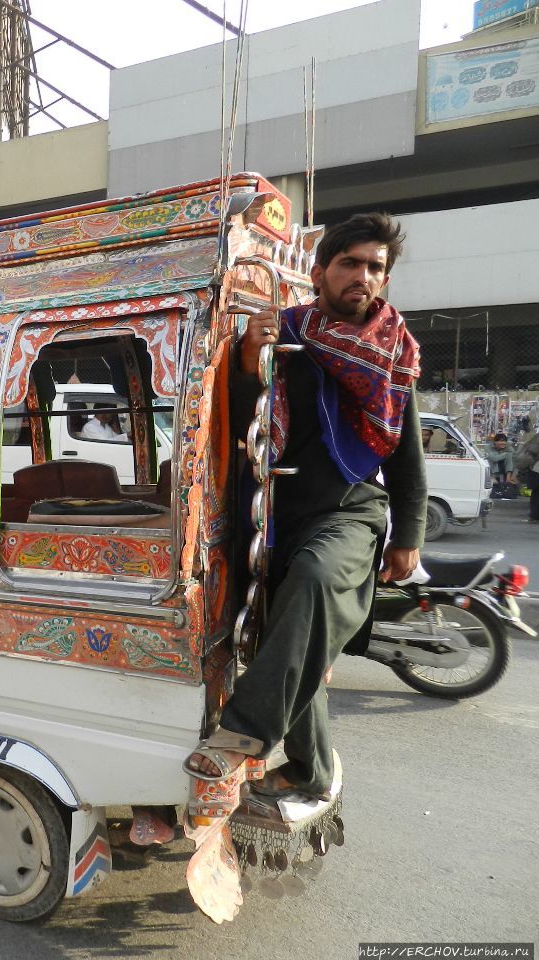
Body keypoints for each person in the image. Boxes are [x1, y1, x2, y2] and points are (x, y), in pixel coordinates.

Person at [183, 212, 426, 803]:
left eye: (375, 267)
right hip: (272, 512)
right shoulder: (283, 332)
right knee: (294, 635)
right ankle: (310, 770)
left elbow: (406, 450)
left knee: (315, 584)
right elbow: (240, 426)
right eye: (350, 263)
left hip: (350, 509)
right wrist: (246, 362)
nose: (362, 276)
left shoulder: (394, 351)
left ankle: (243, 732)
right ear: (320, 273)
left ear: (384, 281)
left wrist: (407, 534)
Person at [516, 429, 539, 522]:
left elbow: (531, 453)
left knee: (536, 493)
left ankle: (535, 516)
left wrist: (519, 466)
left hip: (537, 470)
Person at [484, 432, 515, 497]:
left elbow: (513, 454)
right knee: (492, 458)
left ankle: (508, 478)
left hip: (502, 465)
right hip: (492, 467)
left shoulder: (507, 446)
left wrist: (504, 453)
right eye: (500, 441)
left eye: (504, 441)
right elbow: (494, 458)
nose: (503, 443)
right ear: (495, 442)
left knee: (510, 456)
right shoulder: (488, 447)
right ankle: (492, 477)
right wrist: (505, 454)